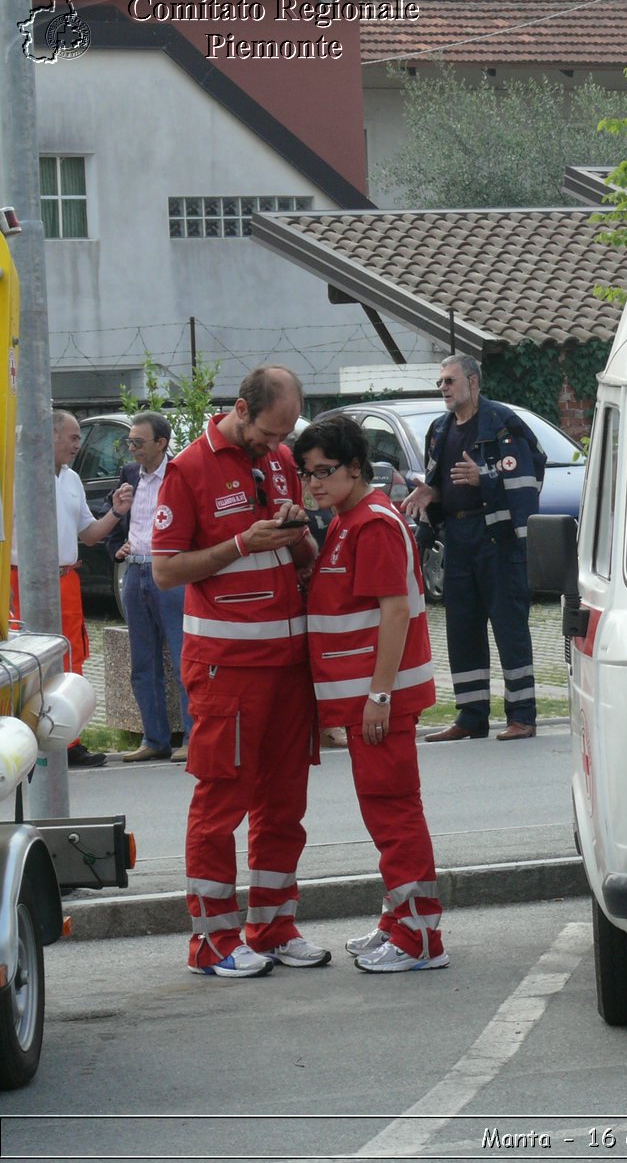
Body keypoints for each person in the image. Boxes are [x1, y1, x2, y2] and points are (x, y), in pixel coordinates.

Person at [152, 366, 332, 978]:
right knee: (220, 804)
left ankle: (274, 927)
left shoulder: (280, 459)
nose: (273, 446)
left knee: (283, 804)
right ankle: (212, 941)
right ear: (240, 409)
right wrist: (239, 545)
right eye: (266, 433)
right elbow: (167, 572)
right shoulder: (188, 470)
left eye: (282, 436)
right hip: (226, 669)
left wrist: (296, 530)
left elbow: (301, 555)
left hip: (286, 667)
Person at [295, 416, 449, 972]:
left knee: (394, 811)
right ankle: (399, 921)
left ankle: (421, 938)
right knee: (385, 810)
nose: (313, 483)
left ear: (355, 468)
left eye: (324, 471)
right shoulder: (348, 518)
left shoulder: (374, 524)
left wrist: (379, 696)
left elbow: (395, 610)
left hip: (380, 701)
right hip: (367, 699)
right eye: (306, 473)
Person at [400, 354, 544, 742]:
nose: (443, 388)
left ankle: (523, 715)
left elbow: (525, 479)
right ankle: (470, 715)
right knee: (461, 627)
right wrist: (429, 494)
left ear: (473, 382)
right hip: (458, 541)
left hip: (498, 540)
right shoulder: (439, 430)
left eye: (450, 381)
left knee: (509, 627)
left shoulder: (502, 424)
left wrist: (485, 479)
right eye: (440, 383)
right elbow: (438, 483)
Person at [8, 412, 133, 767]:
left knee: (70, 657)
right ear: (49, 436)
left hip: (65, 580)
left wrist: (116, 512)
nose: (78, 445)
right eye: (73, 437)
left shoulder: (73, 479)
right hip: (22, 580)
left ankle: (68, 740)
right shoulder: (17, 476)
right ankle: (21, 740)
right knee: (24, 664)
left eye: (79, 438)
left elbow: (90, 535)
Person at [106, 411, 191, 763]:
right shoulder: (129, 475)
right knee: (143, 662)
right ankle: (154, 738)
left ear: (161, 443)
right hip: (136, 571)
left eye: (139, 443)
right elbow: (117, 523)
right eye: (130, 442)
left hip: (169, 574)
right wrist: (118, 548)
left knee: (184, 657)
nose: (132, 450)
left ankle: (192, 737)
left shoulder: (180, 474)